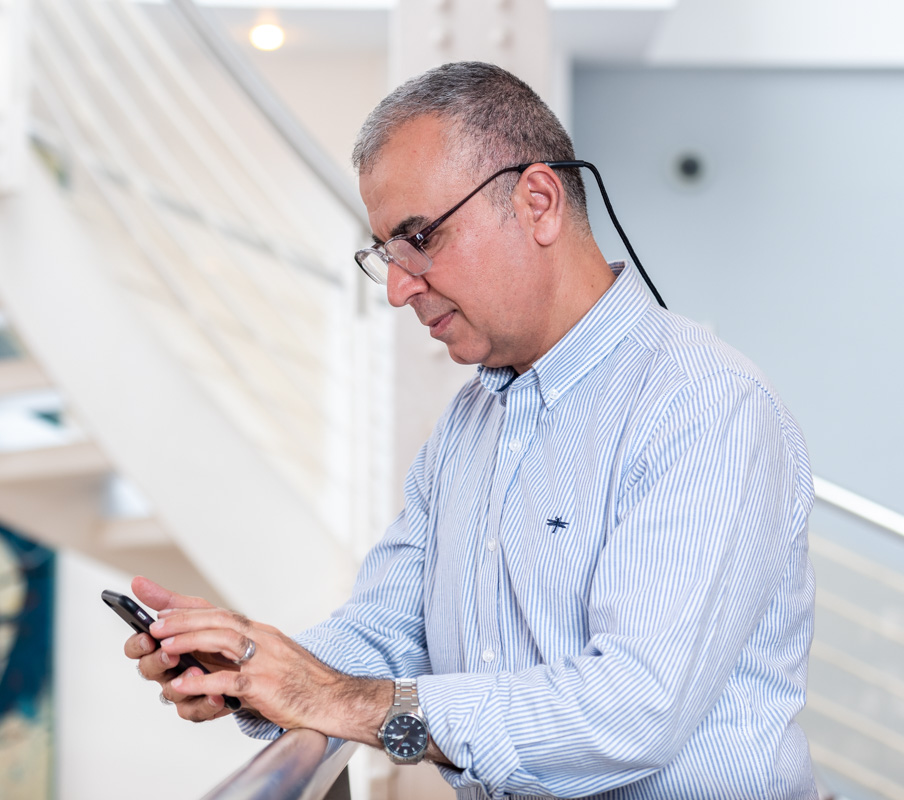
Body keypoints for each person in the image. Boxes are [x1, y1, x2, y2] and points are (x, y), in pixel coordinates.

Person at [124, 61, 817, 799]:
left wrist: (341, 702)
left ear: (538, 201)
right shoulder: (469, 422)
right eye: (387, 254)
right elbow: (389, 630)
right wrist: (248, 661)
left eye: (419, 237)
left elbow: (633, 708)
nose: (398, 287)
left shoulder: (705, 407)